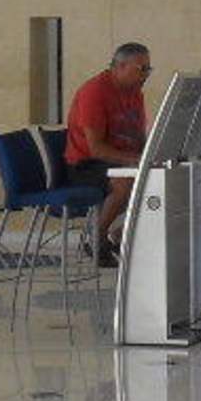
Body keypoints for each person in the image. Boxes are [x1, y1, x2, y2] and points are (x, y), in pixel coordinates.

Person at [65, 42, 153, 259]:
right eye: (142, 69)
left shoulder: (135, 92)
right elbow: (96, 149)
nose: (146, 75)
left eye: (148, 69)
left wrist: (152, 154)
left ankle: (118, 236)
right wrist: (136, 159)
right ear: (120, 66)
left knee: (166, 181)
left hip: (120, 161)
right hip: (85, 165)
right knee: (125, 181)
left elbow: (138, 137)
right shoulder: (94, 92)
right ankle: (96, 238)